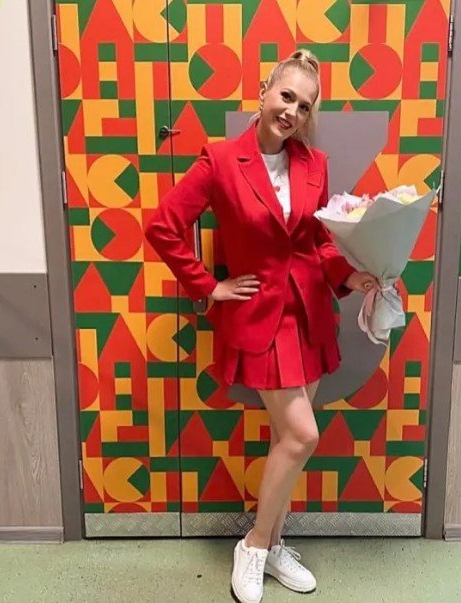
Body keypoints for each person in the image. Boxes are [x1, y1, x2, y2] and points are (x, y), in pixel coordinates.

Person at [145, 49, 377, 603]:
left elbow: (318, 243)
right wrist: (209, 287)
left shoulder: (314, 164)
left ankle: (272, 545)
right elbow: (163, 226)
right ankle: (251, 547)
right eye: (286, 96)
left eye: (305, 105)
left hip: (310, 315)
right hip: (261, 320)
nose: (292, 111)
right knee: (301, 436)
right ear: (264, 92)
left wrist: (349, 278)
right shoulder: (221, 160)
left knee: (284, 441)